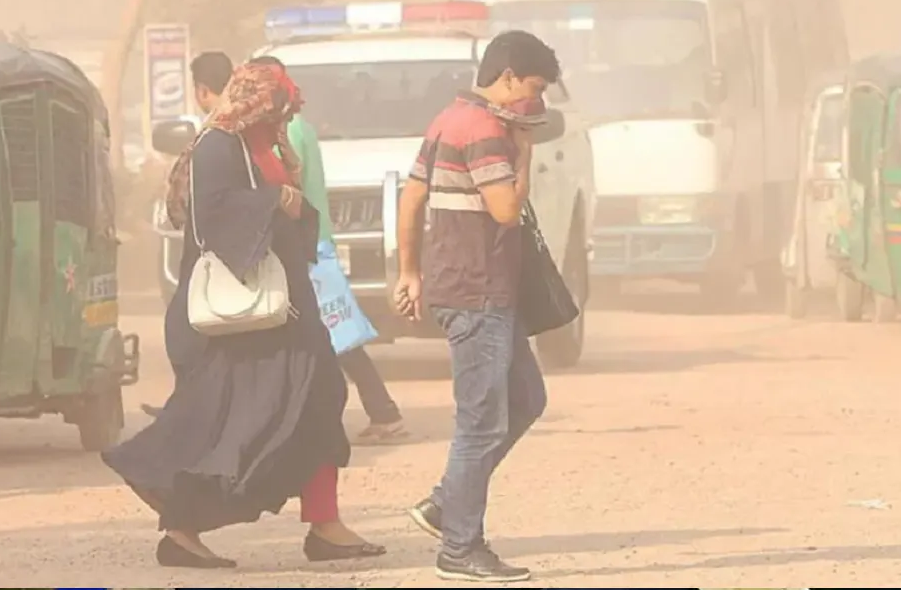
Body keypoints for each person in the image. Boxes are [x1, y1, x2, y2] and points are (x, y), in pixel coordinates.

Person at [104, 62, 385, 569]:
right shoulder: (219, 145)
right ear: (255, 102)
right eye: (278, 108)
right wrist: (277, 198)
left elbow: (285, 216)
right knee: (232, 424)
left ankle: (325, 524)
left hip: (285, 313)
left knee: (320, 400)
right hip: (243, 324)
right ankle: (179, 520)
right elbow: (213, 216)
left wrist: (289, 184)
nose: (283, 119)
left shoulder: (262, 147)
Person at [392, 30, 560, 583]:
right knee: (482, 423)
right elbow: (507, 207)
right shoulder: (490, 131)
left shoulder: (447, 119)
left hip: (466, 287)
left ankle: (447, 503)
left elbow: (411, 197)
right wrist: (526, 148)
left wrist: (410, 271)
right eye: (532, 88)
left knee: (526, 399)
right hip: (478, 291)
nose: (533, 102)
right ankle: (460, 547)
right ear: (508, 77)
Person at [248, 55, 408, 443]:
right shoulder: (300, 126)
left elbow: (289, 189)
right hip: (316, 240)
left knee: (336, 335)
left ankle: (382, 411)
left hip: (306, 245)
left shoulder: (285, 131)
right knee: (333, 333)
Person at [141, 50, 236, 418]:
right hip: (215, 252)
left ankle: (191, 415)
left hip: (211, 253)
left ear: (201, 91)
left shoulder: (218, 134)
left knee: (186, 332)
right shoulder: (228, 130)